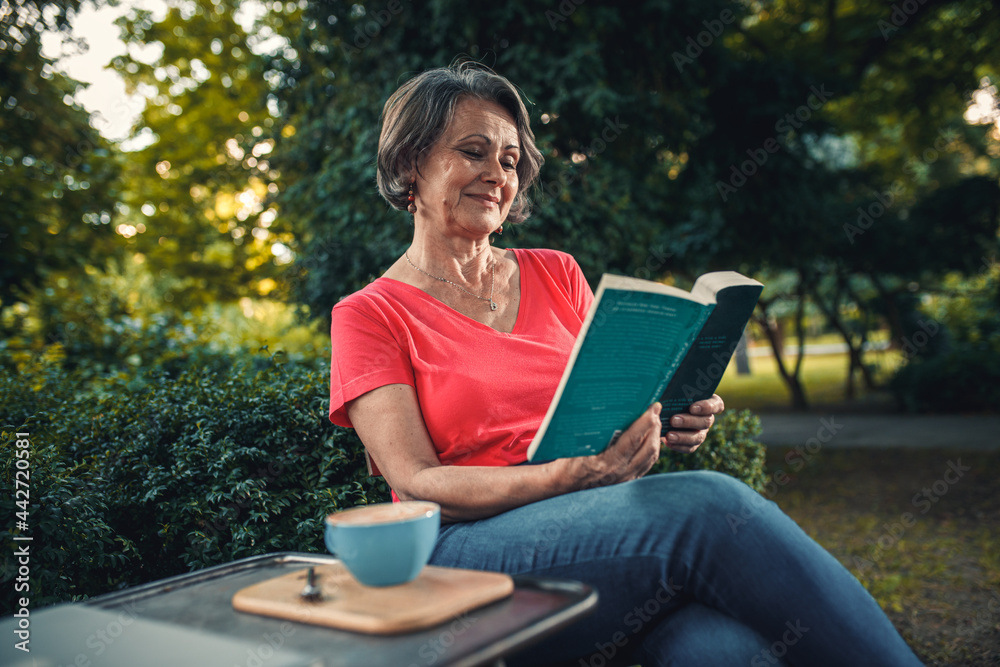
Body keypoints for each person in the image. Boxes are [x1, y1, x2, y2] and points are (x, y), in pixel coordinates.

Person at [328, 62, 922, 667]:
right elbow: (417, 483)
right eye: (472, 151)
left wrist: (668, 414)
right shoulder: (368, 314)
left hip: (598, 532)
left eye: (509, 161)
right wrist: (564, 479)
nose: (495, 175)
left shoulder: (555, 272)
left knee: (724, 651)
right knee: (711, 507)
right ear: (408, 166)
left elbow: (609, 401)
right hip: (466, 551)